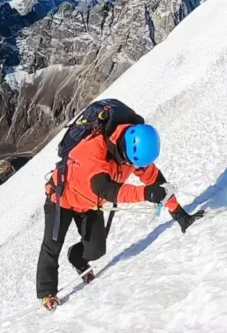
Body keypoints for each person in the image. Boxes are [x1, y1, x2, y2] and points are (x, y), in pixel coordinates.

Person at [36, 105, 205, 311]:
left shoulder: (133, 151)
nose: (130, 166)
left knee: (96, 250)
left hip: (89, 203)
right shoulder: (94, 151)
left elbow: (156, 181)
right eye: (129, 162)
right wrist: (145, 194)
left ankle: (77, 257)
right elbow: (108, 190)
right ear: (124, 148)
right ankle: (47, 293)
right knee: (52, 245)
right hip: (61, 197)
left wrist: (178, 213)